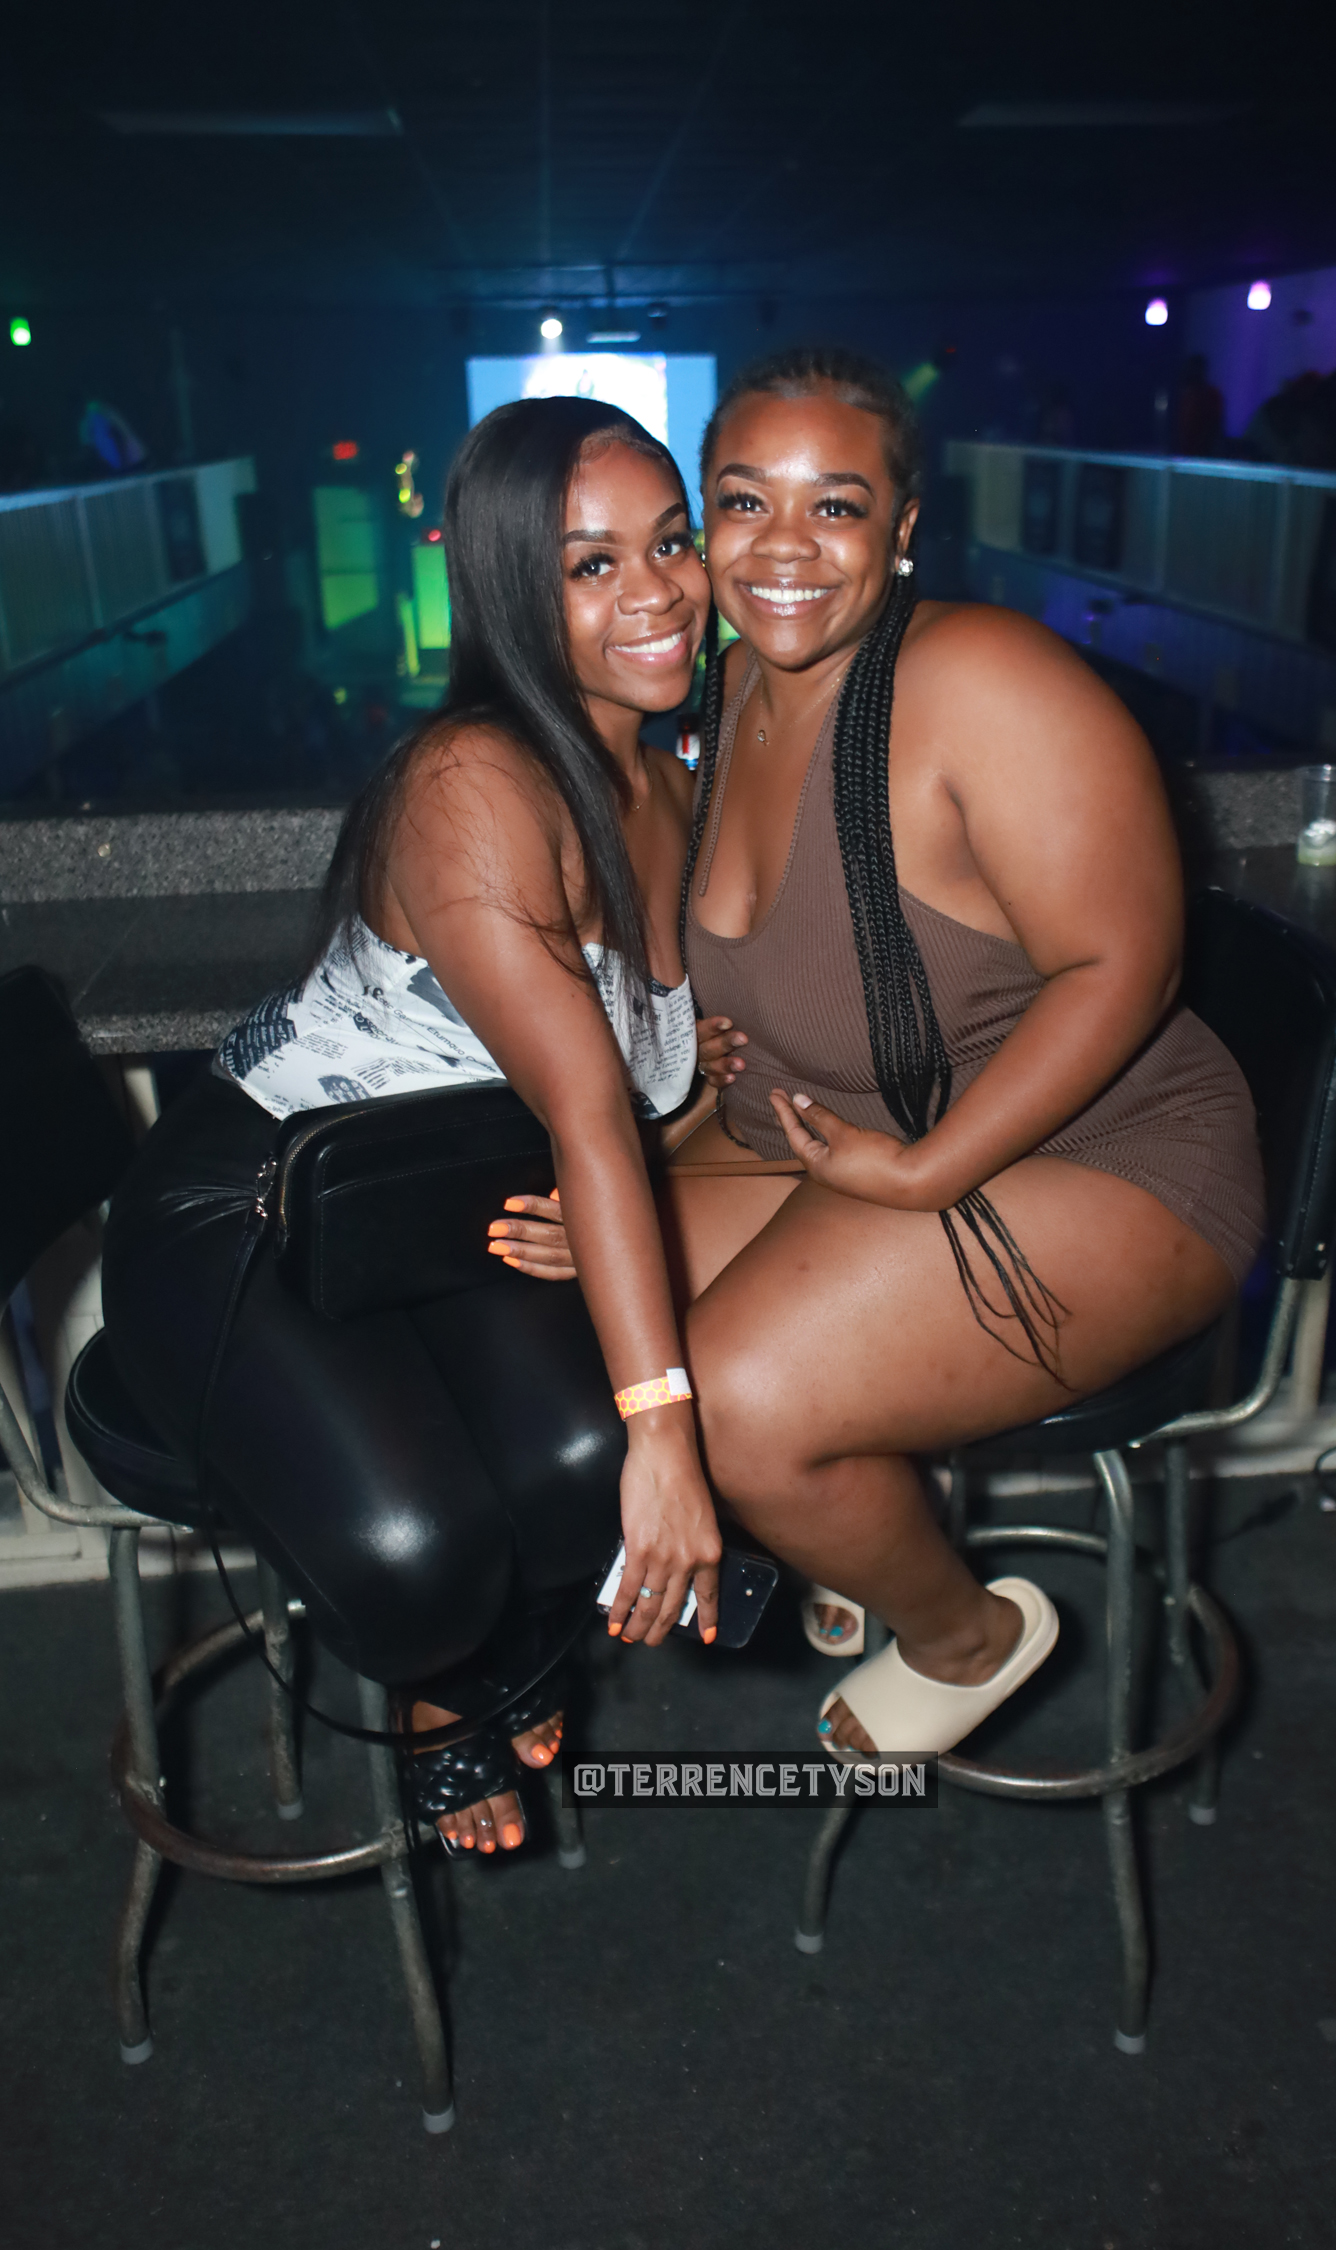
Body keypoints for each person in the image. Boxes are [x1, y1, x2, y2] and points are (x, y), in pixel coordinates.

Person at [511, 347, 1265, 1760]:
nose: (783, 547)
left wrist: (928, 1172)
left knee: (732, 1405)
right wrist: (649, 1174)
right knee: (571, 1306)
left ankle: (969, 1634)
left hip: (1104, 1152)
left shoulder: (981, 681)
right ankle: (840, 1520)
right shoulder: (729, 690)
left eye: (837, 506)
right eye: (745, 503)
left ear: (904, 528)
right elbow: (787, 1016)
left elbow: (1127, 969)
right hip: (858, 1141)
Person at [103, 396, 729, 1854]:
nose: (657, 591)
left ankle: (491, 1643)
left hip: (445, 1214)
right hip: (252, 1210)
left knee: (573, 1474)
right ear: (509, 589)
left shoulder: (676, 789)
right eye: (590, 566)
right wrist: (669, 1432)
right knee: (419, 1548)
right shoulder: (472, 785)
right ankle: (447, 1685)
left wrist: (701, 1099)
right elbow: (587, 1108)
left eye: (671, 542)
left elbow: (636, 1099)